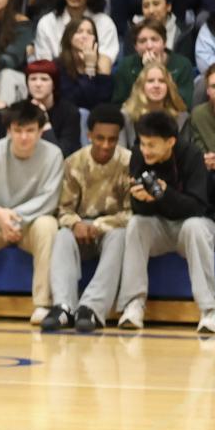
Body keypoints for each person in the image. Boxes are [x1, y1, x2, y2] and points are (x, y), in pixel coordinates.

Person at [97, 107, 215, 333]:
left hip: (194, 225)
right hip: (159, 227)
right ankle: (133, 305)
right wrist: (145, 199)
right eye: (142, 144)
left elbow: (197, 207)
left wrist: (164, 195)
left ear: (170, 142)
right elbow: (139, 209)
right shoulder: (138, 156)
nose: (145, 150)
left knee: (194, 227)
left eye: (151, 145)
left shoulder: (192, 155)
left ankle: (209, 310)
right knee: (136, 224)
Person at [0, 101, 64, 325]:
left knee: (48, 225)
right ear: (9, 131)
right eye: (18, 131)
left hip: (30, 224)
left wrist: (14, 219)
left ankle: (42, 304)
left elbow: (49, 199)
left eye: (30, 131)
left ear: (40, 131)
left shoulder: (54, 155)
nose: (24, 137)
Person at [42, 104, 128, 332]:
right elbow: (63, 209)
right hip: (81, 228)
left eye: (112, 139)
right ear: (89, 135)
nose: (106, 145)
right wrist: (76, 223)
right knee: (62, 235)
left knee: (120, 237)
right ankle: (63, 306)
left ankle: (92, 309)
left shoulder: (129, 162)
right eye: (99, 138)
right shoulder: (73, 162)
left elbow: (132, 213)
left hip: (112, 229)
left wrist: (100, 226)